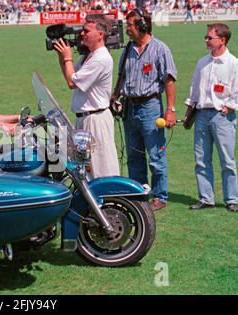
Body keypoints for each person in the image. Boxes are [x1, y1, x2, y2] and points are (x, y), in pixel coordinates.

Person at [111, 9, 177, 211]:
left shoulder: (160, 49)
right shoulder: (128, 49)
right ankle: (139, 193)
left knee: (156, 155)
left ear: (142, 26)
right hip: (130, 107)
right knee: (134, 155)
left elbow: (169, 79)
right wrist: (115, 95)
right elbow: (122, 75)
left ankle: (159, 196)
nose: (127, 29)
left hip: (151, 107)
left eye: (130, 25)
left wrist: (170, 109)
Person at [54, 14, 120, 178]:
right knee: (86, 168)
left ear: (100, 34)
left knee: (100, 166)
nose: (81, 34)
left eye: (86, 30)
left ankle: (110, 199)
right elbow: (71, 75)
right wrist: (62, 57)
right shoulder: (88, 56)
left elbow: (72, 83)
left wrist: (68, 57)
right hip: (87, 118)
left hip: (95, 119)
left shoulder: (100, 58)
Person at [184, 23, 238, 212]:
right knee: (201, 159)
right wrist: (189, 112)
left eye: (210, 38)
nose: (206, 40)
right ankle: (206, 198)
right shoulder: (202, 63)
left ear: (222, 40)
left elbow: (237, 91)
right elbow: (194, 89)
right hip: (202, 115)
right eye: (206, 37)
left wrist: (230, 106)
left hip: (222, 116)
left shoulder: (233, 63)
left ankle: (232, 199)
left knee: (227, 160)